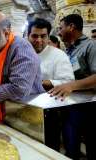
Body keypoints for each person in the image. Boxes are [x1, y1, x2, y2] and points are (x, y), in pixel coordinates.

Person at [49, 14, 96, 160]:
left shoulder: (91, 46)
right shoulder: (69, 50)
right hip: (73, 106)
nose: (59, 32)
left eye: (61, 28)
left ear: (71, 27)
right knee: (71, 146)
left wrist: (72, 85)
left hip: (90, 107)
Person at [27, 18, 75, 151]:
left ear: (48, 36)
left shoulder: (58, 55)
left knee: (49, 148)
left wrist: (43, 83)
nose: (39, 40)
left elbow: (68, 81)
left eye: (43, 36)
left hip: (50, 113)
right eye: (34, 36)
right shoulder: (22, 54)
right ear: (27, 36)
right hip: (25, 109)